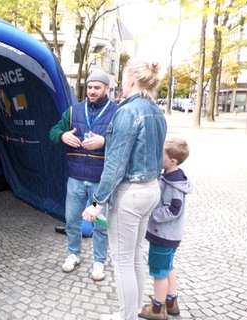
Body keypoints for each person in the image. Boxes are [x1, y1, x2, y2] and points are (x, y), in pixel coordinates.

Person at [81, 60, 167, 320]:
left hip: (131, 194)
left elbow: (115, 164)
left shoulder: (128, 112)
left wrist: (97, 202)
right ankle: (133, 311)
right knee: (135, 256)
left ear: (131, 80)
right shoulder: (156, 111)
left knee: (122, 261)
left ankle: (126, 316)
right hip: (151, 189)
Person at [49, 69, 118, 281]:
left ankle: (99, 261)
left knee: (100, 223)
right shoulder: (73, 111)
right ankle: (74, 254)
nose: (92, 91)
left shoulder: (117, 112)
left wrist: (105, 142)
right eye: (89, 87)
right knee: (71, 219)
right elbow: (52, 133)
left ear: (106, 88)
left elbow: (125, 142)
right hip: (76, 176)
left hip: (101, 180)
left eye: (97, 87)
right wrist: (61, 136)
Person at [139, 138, 193, 320]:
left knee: (158, 272)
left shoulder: (173, 184)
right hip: (170, 236)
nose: (158, 158)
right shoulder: (173, 176)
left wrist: (153, 213)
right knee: (168, 267)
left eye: (162, 156)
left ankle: (157, 309)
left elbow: (173, 209)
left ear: (172, 161)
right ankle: (171, 302)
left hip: (163, 235)